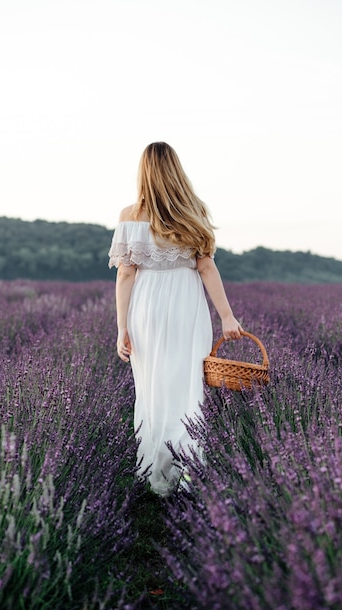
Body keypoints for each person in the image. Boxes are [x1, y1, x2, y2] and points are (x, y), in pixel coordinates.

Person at [108, 142, 242, 496]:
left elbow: (125, 275)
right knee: (188, 387)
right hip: (187, 305)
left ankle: (156, 469)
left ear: (144, 172)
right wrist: (227, 317)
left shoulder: (130, 215)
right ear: (176, 171)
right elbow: (207, 266)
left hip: (146, 307)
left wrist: (122, 327)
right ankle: (189, 467)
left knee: (153, 387)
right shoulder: (194, 210)